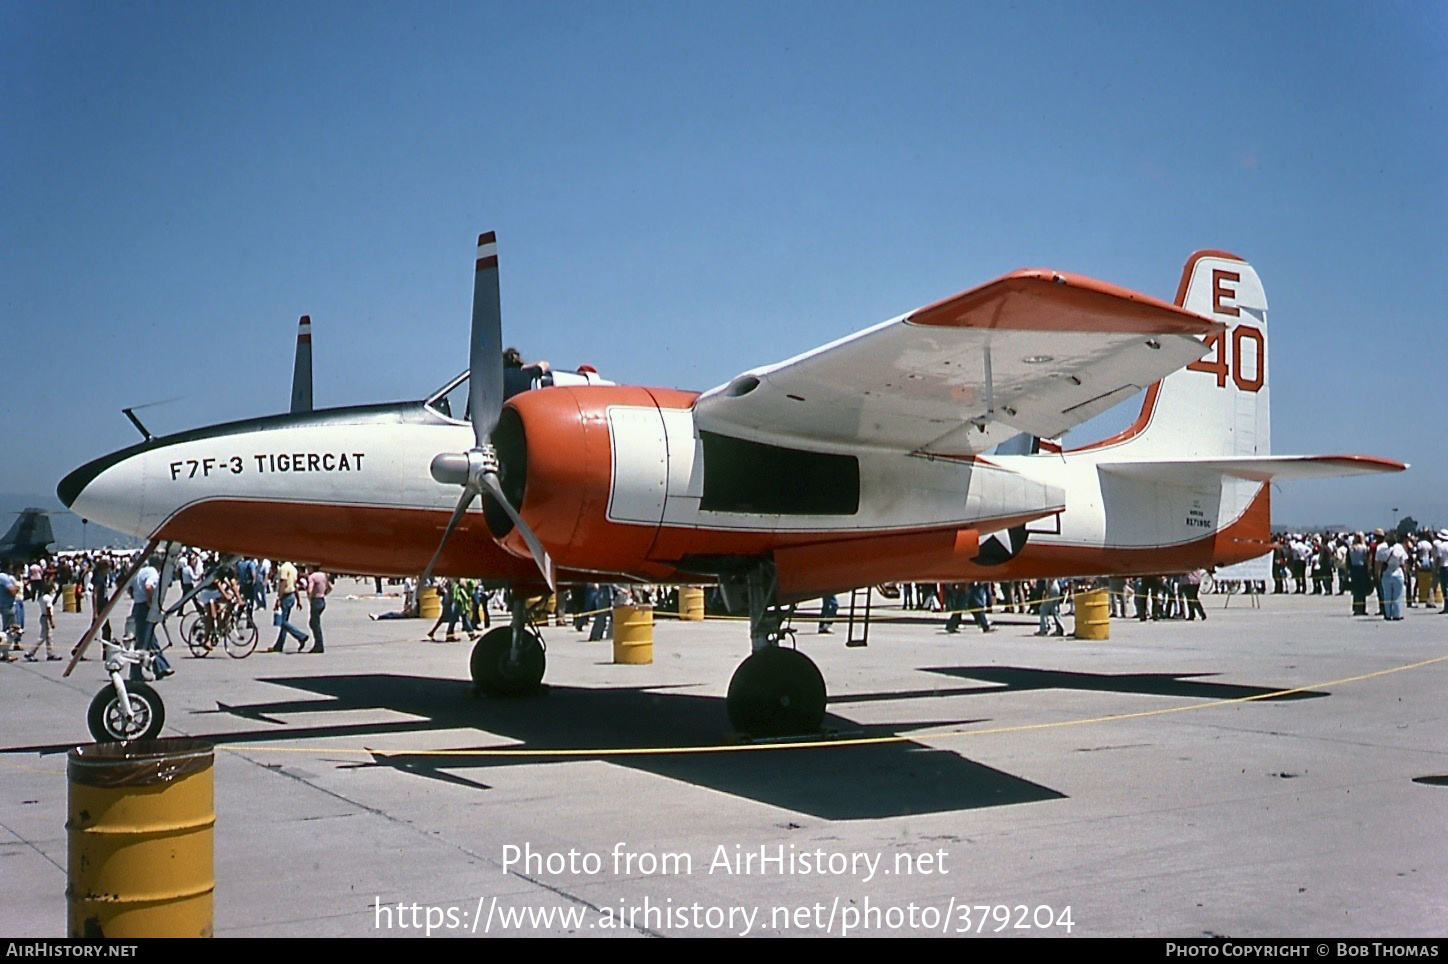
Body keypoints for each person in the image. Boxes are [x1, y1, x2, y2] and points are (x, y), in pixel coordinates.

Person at [130, 554, 172, 680]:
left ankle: (161, 667)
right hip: (145, 607)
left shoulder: (141, 571)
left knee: (148, 638)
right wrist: (150, 601)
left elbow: (131, 589)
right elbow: (149, 586)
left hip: (137, 605)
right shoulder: (153, 573)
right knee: (143, 641)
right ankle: (136, 673)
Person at [268, 559, 309, 652]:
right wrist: (298, 600)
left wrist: (278, 598)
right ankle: (279, 645)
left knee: (282, 622)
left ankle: (301, 636)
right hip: (292, 595)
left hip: (286, 596)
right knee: (285, 622)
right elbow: (295, 585)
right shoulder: (293, 568)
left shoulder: (284, 568)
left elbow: (283, 583)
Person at [24, 582, 59, 660]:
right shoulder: (48, 598)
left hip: (42, 616)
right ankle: (30, 652)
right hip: (46, 617)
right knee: (43, 637)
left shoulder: (41, 597)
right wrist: (51, 622)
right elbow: (49, 609)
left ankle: (50, 653)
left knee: (49, 637)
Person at [304, 565, 331, 654]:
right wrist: (324, 593)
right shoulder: (324, 575)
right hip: (322, 599)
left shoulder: (312, 577)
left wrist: (309, 598)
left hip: (316, 600)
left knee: (315, 624)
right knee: (314, 623)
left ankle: (319, 645)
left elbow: (310, 590)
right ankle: (318, 643)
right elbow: (330, 587)